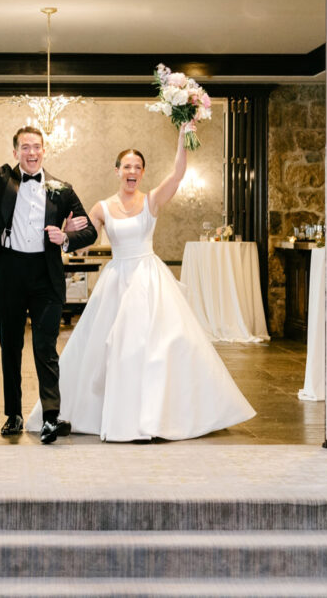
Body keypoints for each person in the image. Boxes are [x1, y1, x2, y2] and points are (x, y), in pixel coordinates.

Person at [26, 124, 255, 441]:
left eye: (137, 167)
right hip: (117, 280)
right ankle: (111, 414)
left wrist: (182, 136)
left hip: (150, 281)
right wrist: (66, 232)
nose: (131, 171)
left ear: (142, 172)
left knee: (159, 349)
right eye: (126, 166)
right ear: (117, 170)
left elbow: (177, 174)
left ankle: (156, 415)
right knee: (111, 349)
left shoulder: (152, 202)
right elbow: (84, 242)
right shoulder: (102, 208)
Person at [0, 95, 98, 444]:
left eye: (37, 147)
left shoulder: (63, 190)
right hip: (9, 272)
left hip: (45, 275)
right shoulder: (3, 180)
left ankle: (50, 417)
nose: (31, 153)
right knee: (10, 346)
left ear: (44, 151)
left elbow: (89, 230)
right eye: (25, 147)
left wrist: (66, 237)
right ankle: (13, 414)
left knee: (46, 347)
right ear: (16, 151)